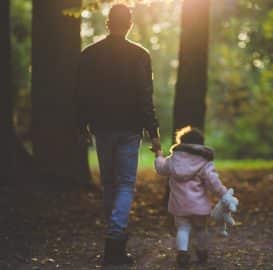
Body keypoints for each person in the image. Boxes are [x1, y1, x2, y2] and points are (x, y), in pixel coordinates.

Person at [75, 4, 161, 266]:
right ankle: (115, 240)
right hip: (130, 127)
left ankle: (115, 241)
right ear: (130, 24)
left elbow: (81, 94)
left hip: (102, 127)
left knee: (111, 184)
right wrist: (153, 131)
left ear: (107, 23)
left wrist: (83, 126)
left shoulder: (90, 54)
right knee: (124, 184)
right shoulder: (140, 55)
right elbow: (145, 96)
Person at [154, 126, 230, 267]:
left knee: (183, 227)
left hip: (179, 204)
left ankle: (183, 253)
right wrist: (223, 193)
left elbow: (161, 168)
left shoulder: (173, 159)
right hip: (199, 205)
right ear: (201, 143)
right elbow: (213, 182)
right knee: (201, 228)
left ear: (181, 142)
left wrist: (159, 155)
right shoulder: (204, 161)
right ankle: (202, 252)